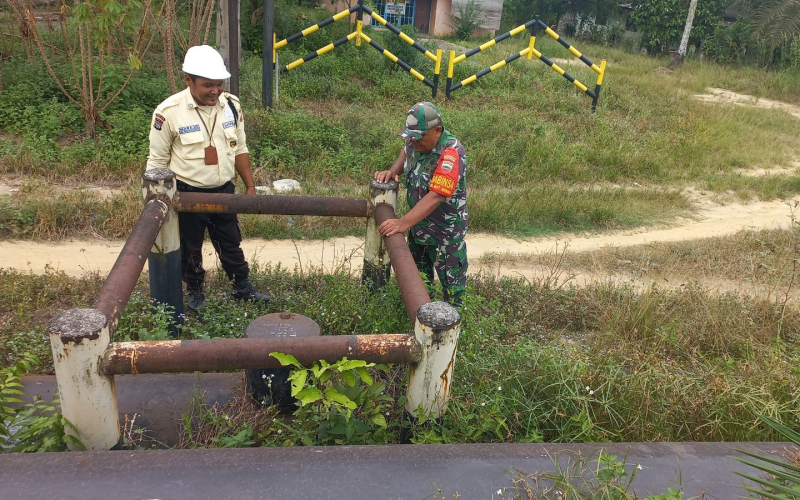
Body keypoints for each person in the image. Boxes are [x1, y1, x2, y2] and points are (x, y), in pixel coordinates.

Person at [146, 45, 270, 313]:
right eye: (208, 85)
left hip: (224, 190)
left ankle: (242, 286)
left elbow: (240, 148)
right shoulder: (168, 112)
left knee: (230, 241)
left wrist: (250, 186)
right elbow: (156, 162)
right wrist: (154, 202)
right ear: (188, 80)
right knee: (189, 247)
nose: (215, 91)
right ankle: (195, 291)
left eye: (219, 84)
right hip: (187, 194)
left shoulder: (232, 106)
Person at [374, 102, 468, 307]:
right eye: (410, 135)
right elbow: (406, 151)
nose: (413, 141)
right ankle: (422, 326)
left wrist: (402, 223)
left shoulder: (451, 153)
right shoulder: (414, 142)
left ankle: (455, 334)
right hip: (420, 230)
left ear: (437, 130)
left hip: (446, 235)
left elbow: (437, 195)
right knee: (419, 285)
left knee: (452, 293)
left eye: (418, 136)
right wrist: (393, 171)